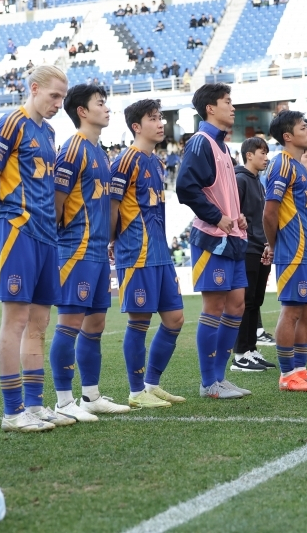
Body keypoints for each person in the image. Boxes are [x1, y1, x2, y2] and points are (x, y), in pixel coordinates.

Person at [0, 65, 70, 432]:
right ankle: (12, 411)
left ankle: (34, 405)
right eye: (54, 95)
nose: (59, 104)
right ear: (34, 88)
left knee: (39, 323)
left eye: (63, 97)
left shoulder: (49, 132)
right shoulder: (11, 122)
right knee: (15, 320)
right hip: (18, 230)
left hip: (47, 236)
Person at [48, 85, 132, 419]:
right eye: (100, 103)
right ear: (82, 111)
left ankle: (91, 396)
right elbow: (56, 201)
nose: (107, 108)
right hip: (76, 249)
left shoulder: (99, 152)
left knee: (95, 324)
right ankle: (63, 402)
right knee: (69, 324)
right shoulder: (73, 149)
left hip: (97, 250)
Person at [175, 84, 250, 399]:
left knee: (237, 304)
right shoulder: (201, 142)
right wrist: (217, 216)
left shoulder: (222, 146)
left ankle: (219, 378)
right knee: (215, 306)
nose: (233, 107)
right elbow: (185, 187)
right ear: (210, 108)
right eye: (227, 102)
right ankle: (208, 383)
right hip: (212, 239)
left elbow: (221, 191)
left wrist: (237, 215)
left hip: (233, 237)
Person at [111, 99, 186, 407]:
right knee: (140, 320)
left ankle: (151, 384)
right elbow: (112, 206)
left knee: (175, 319)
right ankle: (135, 392)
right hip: (136, 252)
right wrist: (111, 241)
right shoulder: (124, 161)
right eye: (153, 119)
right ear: (136, 126)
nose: (160, 123)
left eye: (160, 118)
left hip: (160, 252)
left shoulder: (156, 162)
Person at [262, 110, 307, 392]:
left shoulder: (299, 166)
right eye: (303, 127)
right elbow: (269, 213)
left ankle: (301, 370)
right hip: (293, 251)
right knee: (292, 310)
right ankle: (286, 374)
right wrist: (274, 245)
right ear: (288, 136)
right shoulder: (281, 165)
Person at [231, 137, 275, 373]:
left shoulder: (258, 181)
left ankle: (250, 349)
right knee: (246, 302)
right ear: (249, 155)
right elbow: (233, 214)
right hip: (247, 248)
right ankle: (240, 354)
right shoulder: (240, 180)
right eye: (262, 153)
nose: (266, 158)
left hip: (260, 247)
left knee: (256, 301)